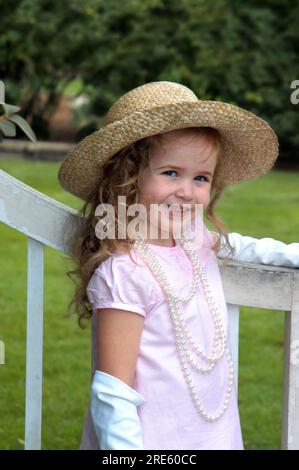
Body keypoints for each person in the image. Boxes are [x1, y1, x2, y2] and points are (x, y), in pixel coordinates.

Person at [57, 81, 299, 450]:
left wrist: (292, 254)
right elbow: (113, 392)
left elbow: (244, 247)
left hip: (210, 433)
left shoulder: (192, 238)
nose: (187, 191)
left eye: (200, 178)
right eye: (171, 172)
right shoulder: (125, 273)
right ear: (127, 178)